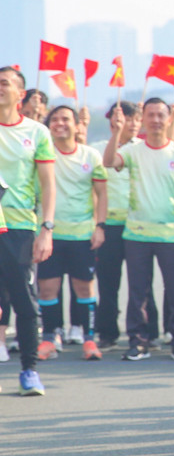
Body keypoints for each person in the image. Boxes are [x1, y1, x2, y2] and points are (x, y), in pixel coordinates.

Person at [102, 98, 174, 361]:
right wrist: (116, 132)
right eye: (151, 115)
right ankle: (138, 342)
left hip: (170, 233)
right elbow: (109, 162)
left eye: (160, 115)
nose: (155, 119)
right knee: (138, 292)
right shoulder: (133, 151)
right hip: (137, 233)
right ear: (143, 118)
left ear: (170, 119)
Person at [0, 67, 56, 394]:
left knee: (25, 303)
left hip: (20, 228)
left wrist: (46, 228)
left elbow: (48, 186)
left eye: (5, 84)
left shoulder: (36, 132)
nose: (0, 88)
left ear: (21, 94)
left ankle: (29, 371)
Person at [36, 105, 107, 360]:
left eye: (66, 119)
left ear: (77, 125)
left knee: (84, 289)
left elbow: (101, 193)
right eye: (54, 120)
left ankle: (89, 340)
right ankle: (48, 339)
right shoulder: (42, 154)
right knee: (47, 289)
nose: (60, 123)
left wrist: (100, 226)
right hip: (50, 235)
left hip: (82, 235)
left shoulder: (91, 155)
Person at [94, 101, 138, 349]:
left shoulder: (143, 149)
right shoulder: (98, 149)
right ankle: (107, 332)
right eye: (123, 118)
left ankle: (145, 331)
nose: (128, 124)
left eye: (134, 119)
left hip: (137, 225)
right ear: (112, 120)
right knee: (108, 283)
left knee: (140, 284)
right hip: (109, 224)